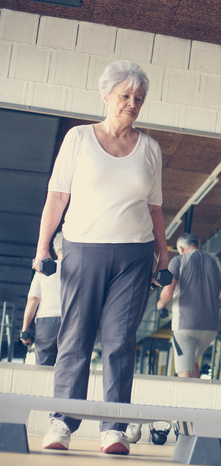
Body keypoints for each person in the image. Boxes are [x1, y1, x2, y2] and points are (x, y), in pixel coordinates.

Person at [32, 59, 169, 456]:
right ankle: (62, 421)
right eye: (124, 95)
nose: (131, 103)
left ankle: (114, 427)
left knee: (120, 342)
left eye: (138, 98)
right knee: (75, 337)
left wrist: (162, 258)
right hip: (83, 249)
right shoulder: (78, 138)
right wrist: (43, 248)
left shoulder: (150, 148)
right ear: (106, 96)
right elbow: (57, 196)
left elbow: (155, 208)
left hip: (135, 255)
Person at [156, 233, 221, 378]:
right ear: (199, 246)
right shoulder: (216, 260)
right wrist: (213, 294)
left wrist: (161, 304)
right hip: (211, 327)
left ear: (181, 248)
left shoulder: (178, 260)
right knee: (193, 363)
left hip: (185, 325)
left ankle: (183, 401)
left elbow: (168, 291)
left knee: (184, 372)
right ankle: (196, 400)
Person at [20, 231, 64, 365]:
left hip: (46, 323)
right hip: (70, 321)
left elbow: (33, 301)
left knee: (44, 368)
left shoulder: (44, 271)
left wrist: (25, 330)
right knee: (68, 366)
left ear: (55, 249)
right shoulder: (79, 271)